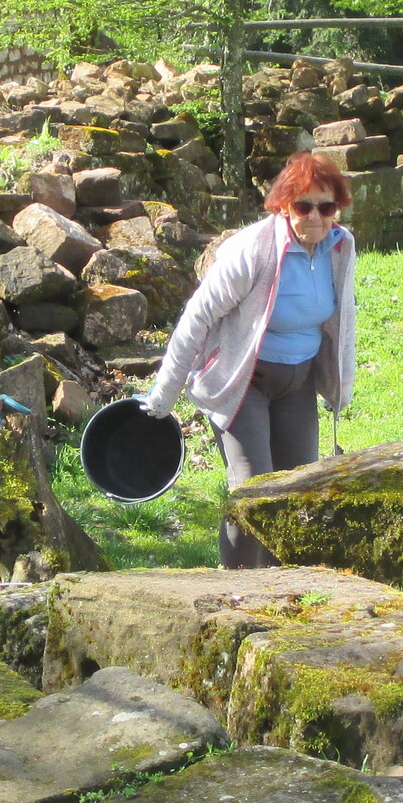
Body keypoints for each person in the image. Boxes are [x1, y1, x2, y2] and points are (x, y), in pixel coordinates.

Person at [142, 152, 357, 569]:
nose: (316, 217)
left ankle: (280, 589)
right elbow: (198, 317)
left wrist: (341, 384)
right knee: (254, 493)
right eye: (304, 206)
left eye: (326, 207)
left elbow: (343, 317)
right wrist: (164, 394)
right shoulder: (252, 250)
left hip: (298, 382)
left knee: (295, 492)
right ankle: (237, 586)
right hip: (243, 382)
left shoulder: (340, 247)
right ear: (284, 206)